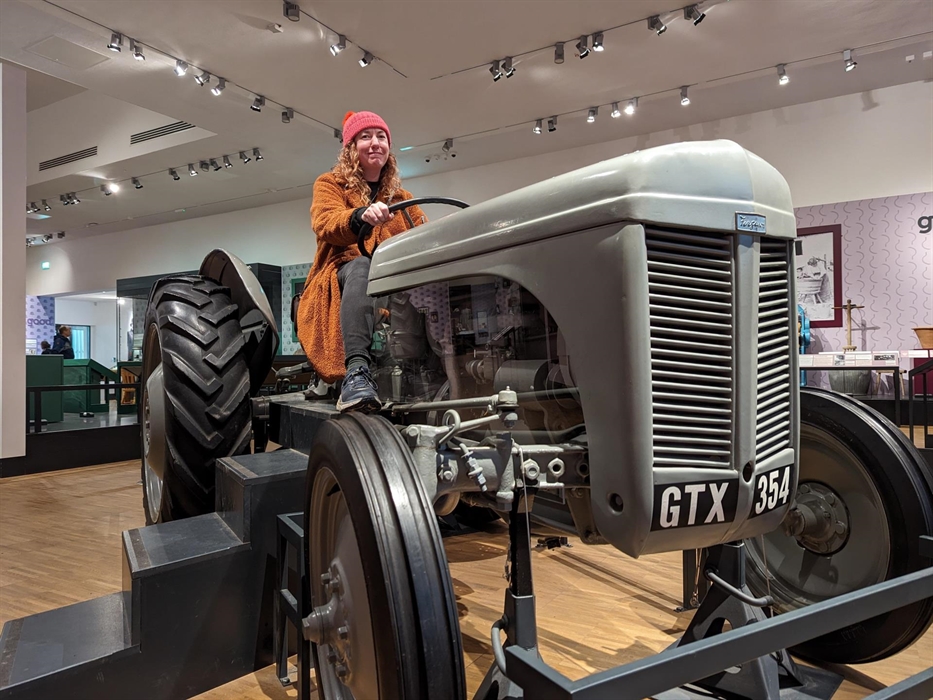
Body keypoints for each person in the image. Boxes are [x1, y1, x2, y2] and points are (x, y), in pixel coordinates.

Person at [297, 110, 427, 412]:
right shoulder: (330, 184)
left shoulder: (402, 198)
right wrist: (359, 217)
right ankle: (357, 372)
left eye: (381, 136)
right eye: (365, 136)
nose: (375, 143)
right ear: (351, 147)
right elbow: (325, 222)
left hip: (391, 280)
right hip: (339, 274)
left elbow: (421, 232)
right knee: (362, 267)